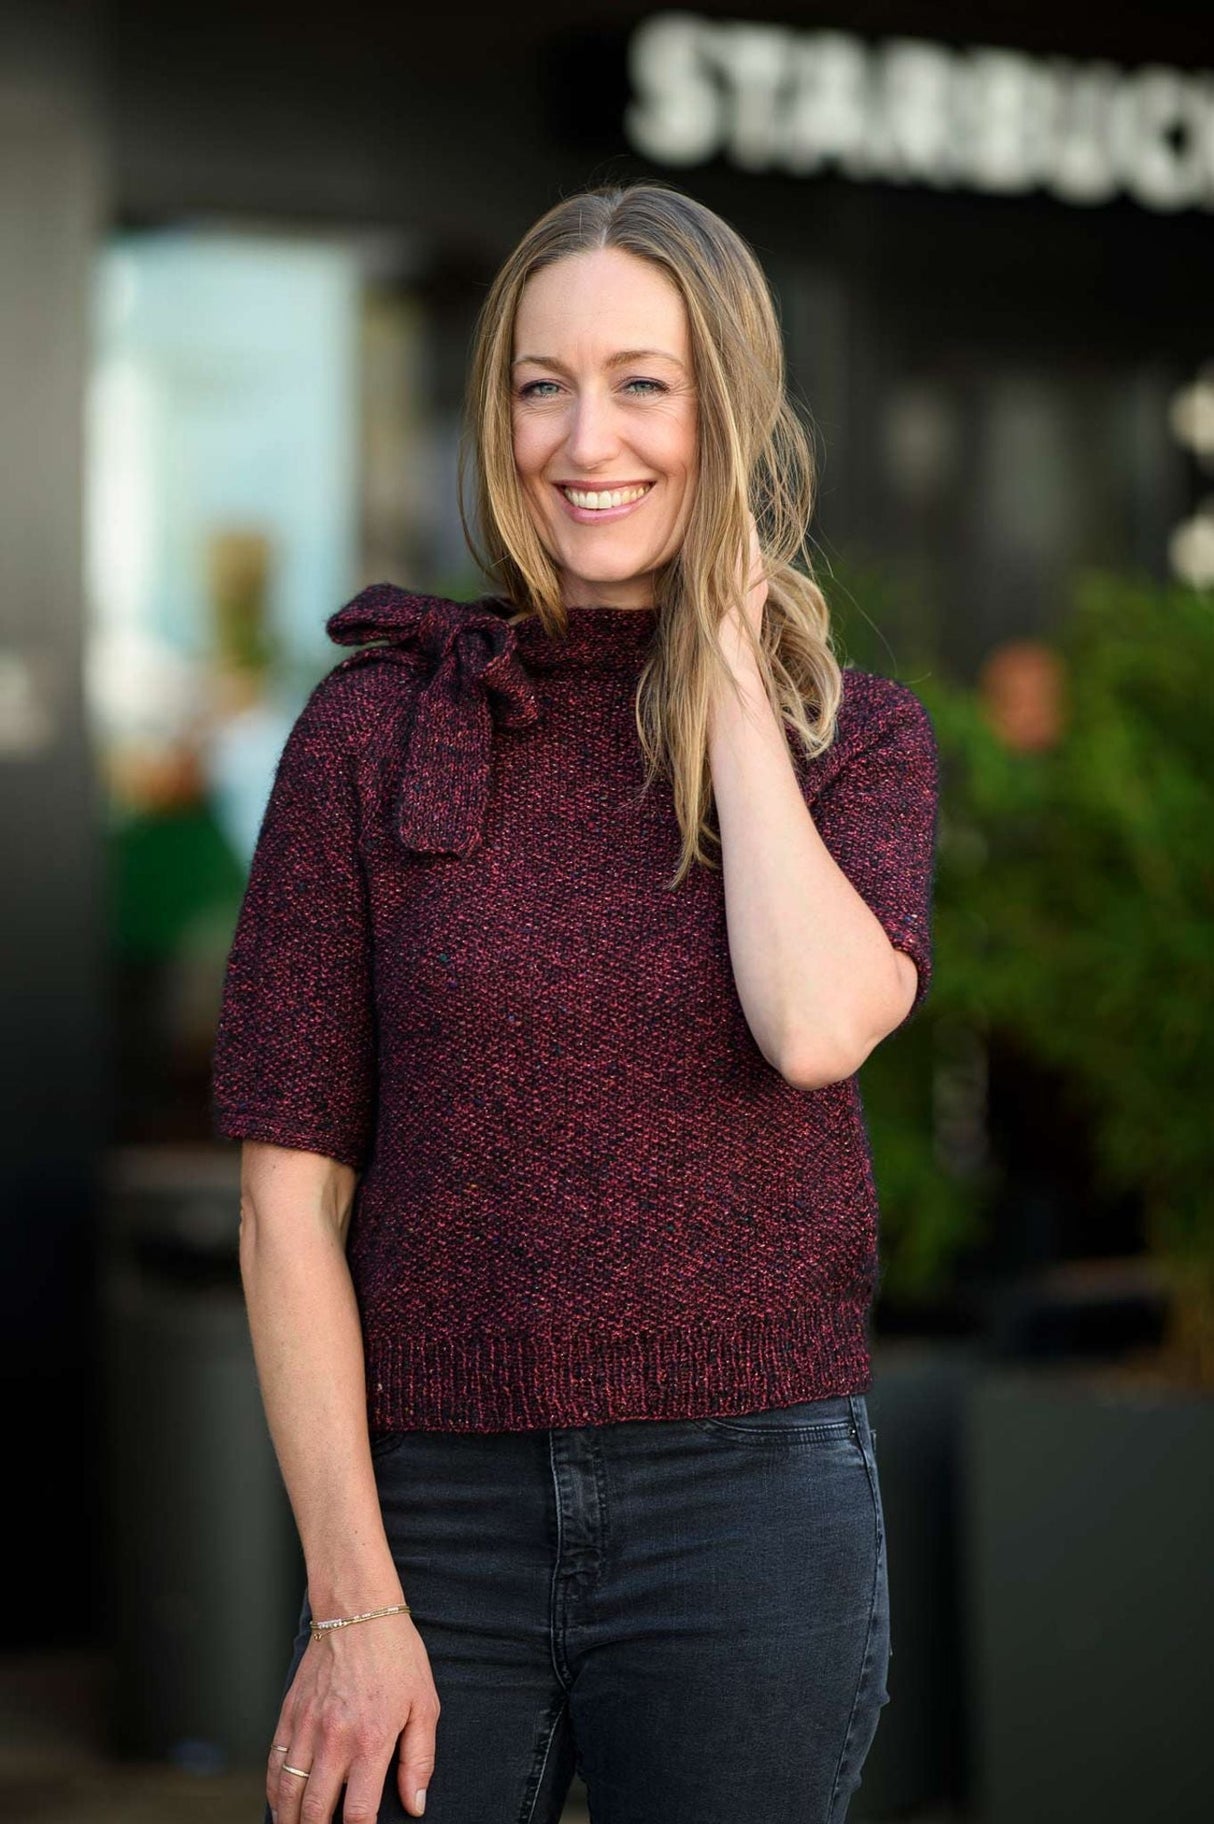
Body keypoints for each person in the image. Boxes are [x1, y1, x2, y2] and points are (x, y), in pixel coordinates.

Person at [211, 180, 938, 1824]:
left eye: (642, 383)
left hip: (748, 1508)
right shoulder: (373, 733)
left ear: (727, 415)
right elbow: (283, 1203)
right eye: (542, 384)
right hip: (427, 1522)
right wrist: (353, 1600)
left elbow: (814, 1027)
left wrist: (730, 683)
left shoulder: (855, 744)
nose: (581, 438)